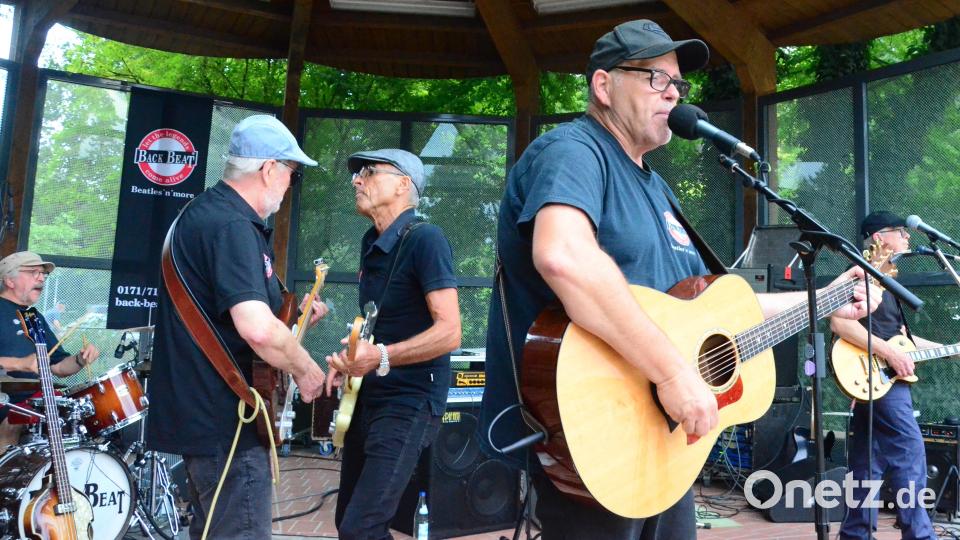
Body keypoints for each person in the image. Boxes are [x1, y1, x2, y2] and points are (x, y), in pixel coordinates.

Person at [478, 19, 884, 539]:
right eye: (655, 78)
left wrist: (824, 301)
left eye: (678, 83)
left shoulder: (657, 188)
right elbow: (565, 258)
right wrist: (672, 374)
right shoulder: (574, 150)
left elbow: (720, 311)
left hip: (664, 441)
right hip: (595, 429)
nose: (673, 92)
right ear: (603, 86)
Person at [145, 114, 329, 539]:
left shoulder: (204, 215)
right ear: (269, 169)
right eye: (292, 175)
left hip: (203, 421)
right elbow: (257, 331)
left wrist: (296, 323)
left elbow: (233, 322)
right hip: (225, 425)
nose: (289, 186)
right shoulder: (232, 226)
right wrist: (306, 369)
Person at [324, 149, 461, 540]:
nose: (356, 180)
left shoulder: (426, 240)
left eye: (368, 172)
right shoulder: (373, 243)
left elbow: (450, 331)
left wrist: (380, 356)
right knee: (349, 521)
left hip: (410, 402)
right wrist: (351, 358)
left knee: (360, 528)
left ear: (404, 185)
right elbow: (374, 327)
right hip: (369, 398)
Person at [835, 211, 937, 540]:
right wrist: (890, 353)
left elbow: (902, 340)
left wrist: (952, 347)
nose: (908, 238)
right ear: (880, 238)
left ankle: (855, 534)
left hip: (879, 381)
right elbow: (840, 323)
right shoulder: (862, 276)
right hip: (879, 379)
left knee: (868, 464)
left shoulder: (888, 282)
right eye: (900, 232)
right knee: (909, 453)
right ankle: (920, 535)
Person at [0, 251, 99, 450]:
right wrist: (19, 363)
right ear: (9, 280)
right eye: (33, 272)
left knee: (83, 418)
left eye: (43, 274)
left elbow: (58, 367)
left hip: (33, 398)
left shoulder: (34, 316)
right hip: (5, 399)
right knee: (14, 422)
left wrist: (80, 359)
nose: (41, 278)